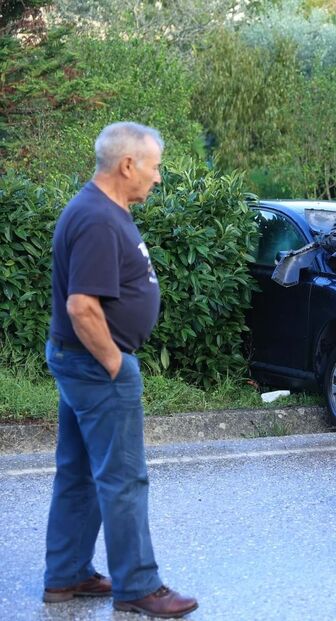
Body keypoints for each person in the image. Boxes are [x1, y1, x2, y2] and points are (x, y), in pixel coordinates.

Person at [43, 122, 198, 617]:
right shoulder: (96, 219)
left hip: (81, 362)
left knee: (79, 472)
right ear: (127, 165)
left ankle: (66, 576)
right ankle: (137, 586)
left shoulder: (101, 210)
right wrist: (115, 363)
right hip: (96, 365)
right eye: (154, 167)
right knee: (124, 477)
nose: (157, 178)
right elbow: (82, 306)